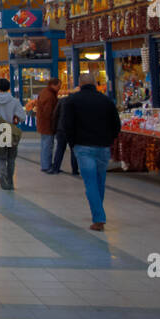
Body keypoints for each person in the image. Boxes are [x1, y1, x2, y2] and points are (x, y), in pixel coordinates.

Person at [64, 73, 123, 231]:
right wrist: (109, 139)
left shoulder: (73, 101)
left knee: (90, 183)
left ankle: (99, 218)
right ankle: (98, 212)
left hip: (83, 147)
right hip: (103, 146)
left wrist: (73, 143)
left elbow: (66, 125)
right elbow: (116, 125)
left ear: (80, 84)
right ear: (95, 84)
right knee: (99, 181)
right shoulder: (106, 101)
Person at [0, 78, 27, 190]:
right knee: (11, 158)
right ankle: (10, 180)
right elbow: (23, 117)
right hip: (11, 131)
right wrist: (15, 118)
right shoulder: (14, 100)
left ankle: (2, 176)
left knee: (1, 157)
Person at [48, 88, 80, 176]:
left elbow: (55, 114)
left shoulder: (62, 101)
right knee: (74, 149)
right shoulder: (78, 102)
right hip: (73, 129)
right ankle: (74, 170)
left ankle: (55, 168)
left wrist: (54, 128)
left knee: (60, 148)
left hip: (61, 129)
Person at [34, 77, 61, 172]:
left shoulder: (45, 92)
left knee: (45, 144)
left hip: (43, 124)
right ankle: (46, 166)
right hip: (47, 124)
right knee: (47, 145)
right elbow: (48, 112)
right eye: (58, 86)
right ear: (52, 85)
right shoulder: (49, 96)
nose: (59, 88)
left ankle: (45, 164)